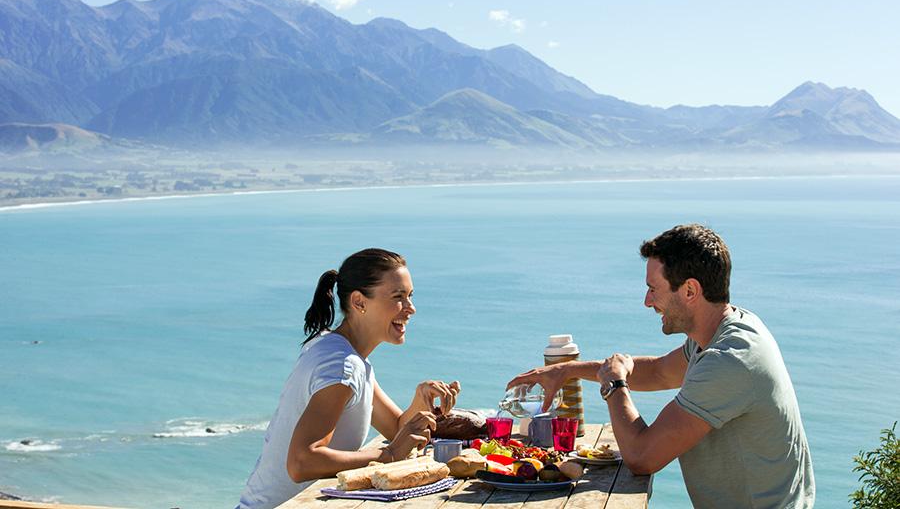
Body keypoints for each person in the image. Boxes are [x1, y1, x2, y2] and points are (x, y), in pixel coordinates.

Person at [508, 224, 815, 508]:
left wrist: (614, 387)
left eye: (654, 289)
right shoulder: (724, 331)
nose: (646, 301)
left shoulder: (729, 360)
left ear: (690, 291)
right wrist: (568, 369)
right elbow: (658, 371)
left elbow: (642, 457)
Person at [238, 248, 460, 509]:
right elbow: (301, 462)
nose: (410, 308)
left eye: (410, 296)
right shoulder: (342, 366)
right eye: (398, 297)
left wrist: (421, 399)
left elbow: (396, 430)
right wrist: (388, 455)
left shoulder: (345, 355)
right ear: (359, 302)